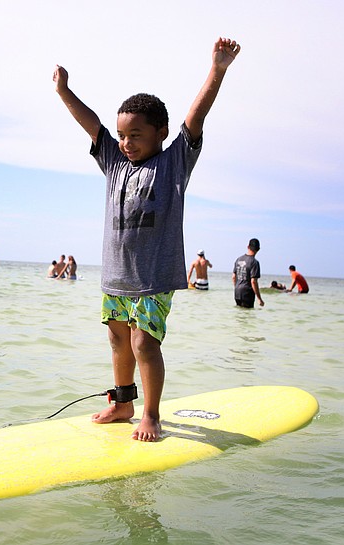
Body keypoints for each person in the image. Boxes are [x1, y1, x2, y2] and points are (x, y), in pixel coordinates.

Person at [53, 37, 241, 442]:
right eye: (123, 135)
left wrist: (217, 69)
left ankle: (151, 415)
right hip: (116, 278)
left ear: (161, 133)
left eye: (136, 134)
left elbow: (196, 116)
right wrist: (64, 91)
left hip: (153, 278)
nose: (127, 142)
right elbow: (93, 126)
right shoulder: (114, 163)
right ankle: (123, 403)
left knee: (143, 343)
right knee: (118, 339)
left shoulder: (173, 162)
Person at [233, 238, 265, 308]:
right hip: (247, 293)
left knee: (239, 313)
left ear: (248, 246)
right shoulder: (254, 262)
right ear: (258, 249)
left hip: (237, 292)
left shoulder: (239, 259)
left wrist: (236, 287)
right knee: (247, 315)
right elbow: (253, 281)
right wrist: (259, 299)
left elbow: (233, 276)